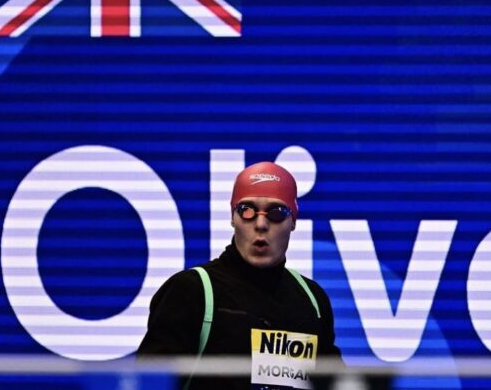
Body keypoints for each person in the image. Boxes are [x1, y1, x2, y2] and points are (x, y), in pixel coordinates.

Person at [137, 161, 341, 389]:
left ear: (293, 220)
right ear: (233, 217)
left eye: (276, 213)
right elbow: (149, 384)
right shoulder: (190, 291)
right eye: (247, 211)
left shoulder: (312, 300)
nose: (261, 224)